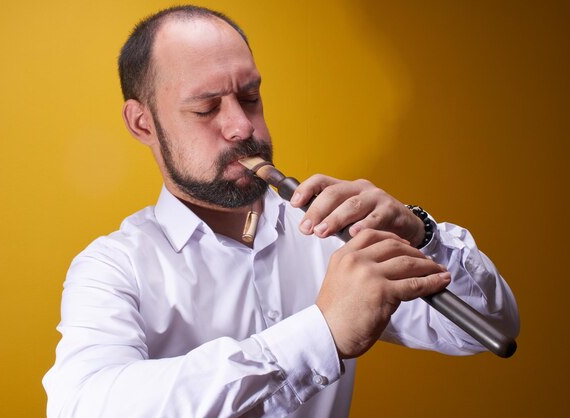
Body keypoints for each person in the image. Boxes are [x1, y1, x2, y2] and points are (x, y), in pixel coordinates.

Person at [43, 5, 519, 417]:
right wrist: (321, 332)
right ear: (143, 122)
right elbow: (82, 407)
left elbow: (489, 330)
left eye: (250, 97)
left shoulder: (332, 231)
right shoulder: (113, 266)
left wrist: (421, 234)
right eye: (207, 108)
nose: (241, 126)